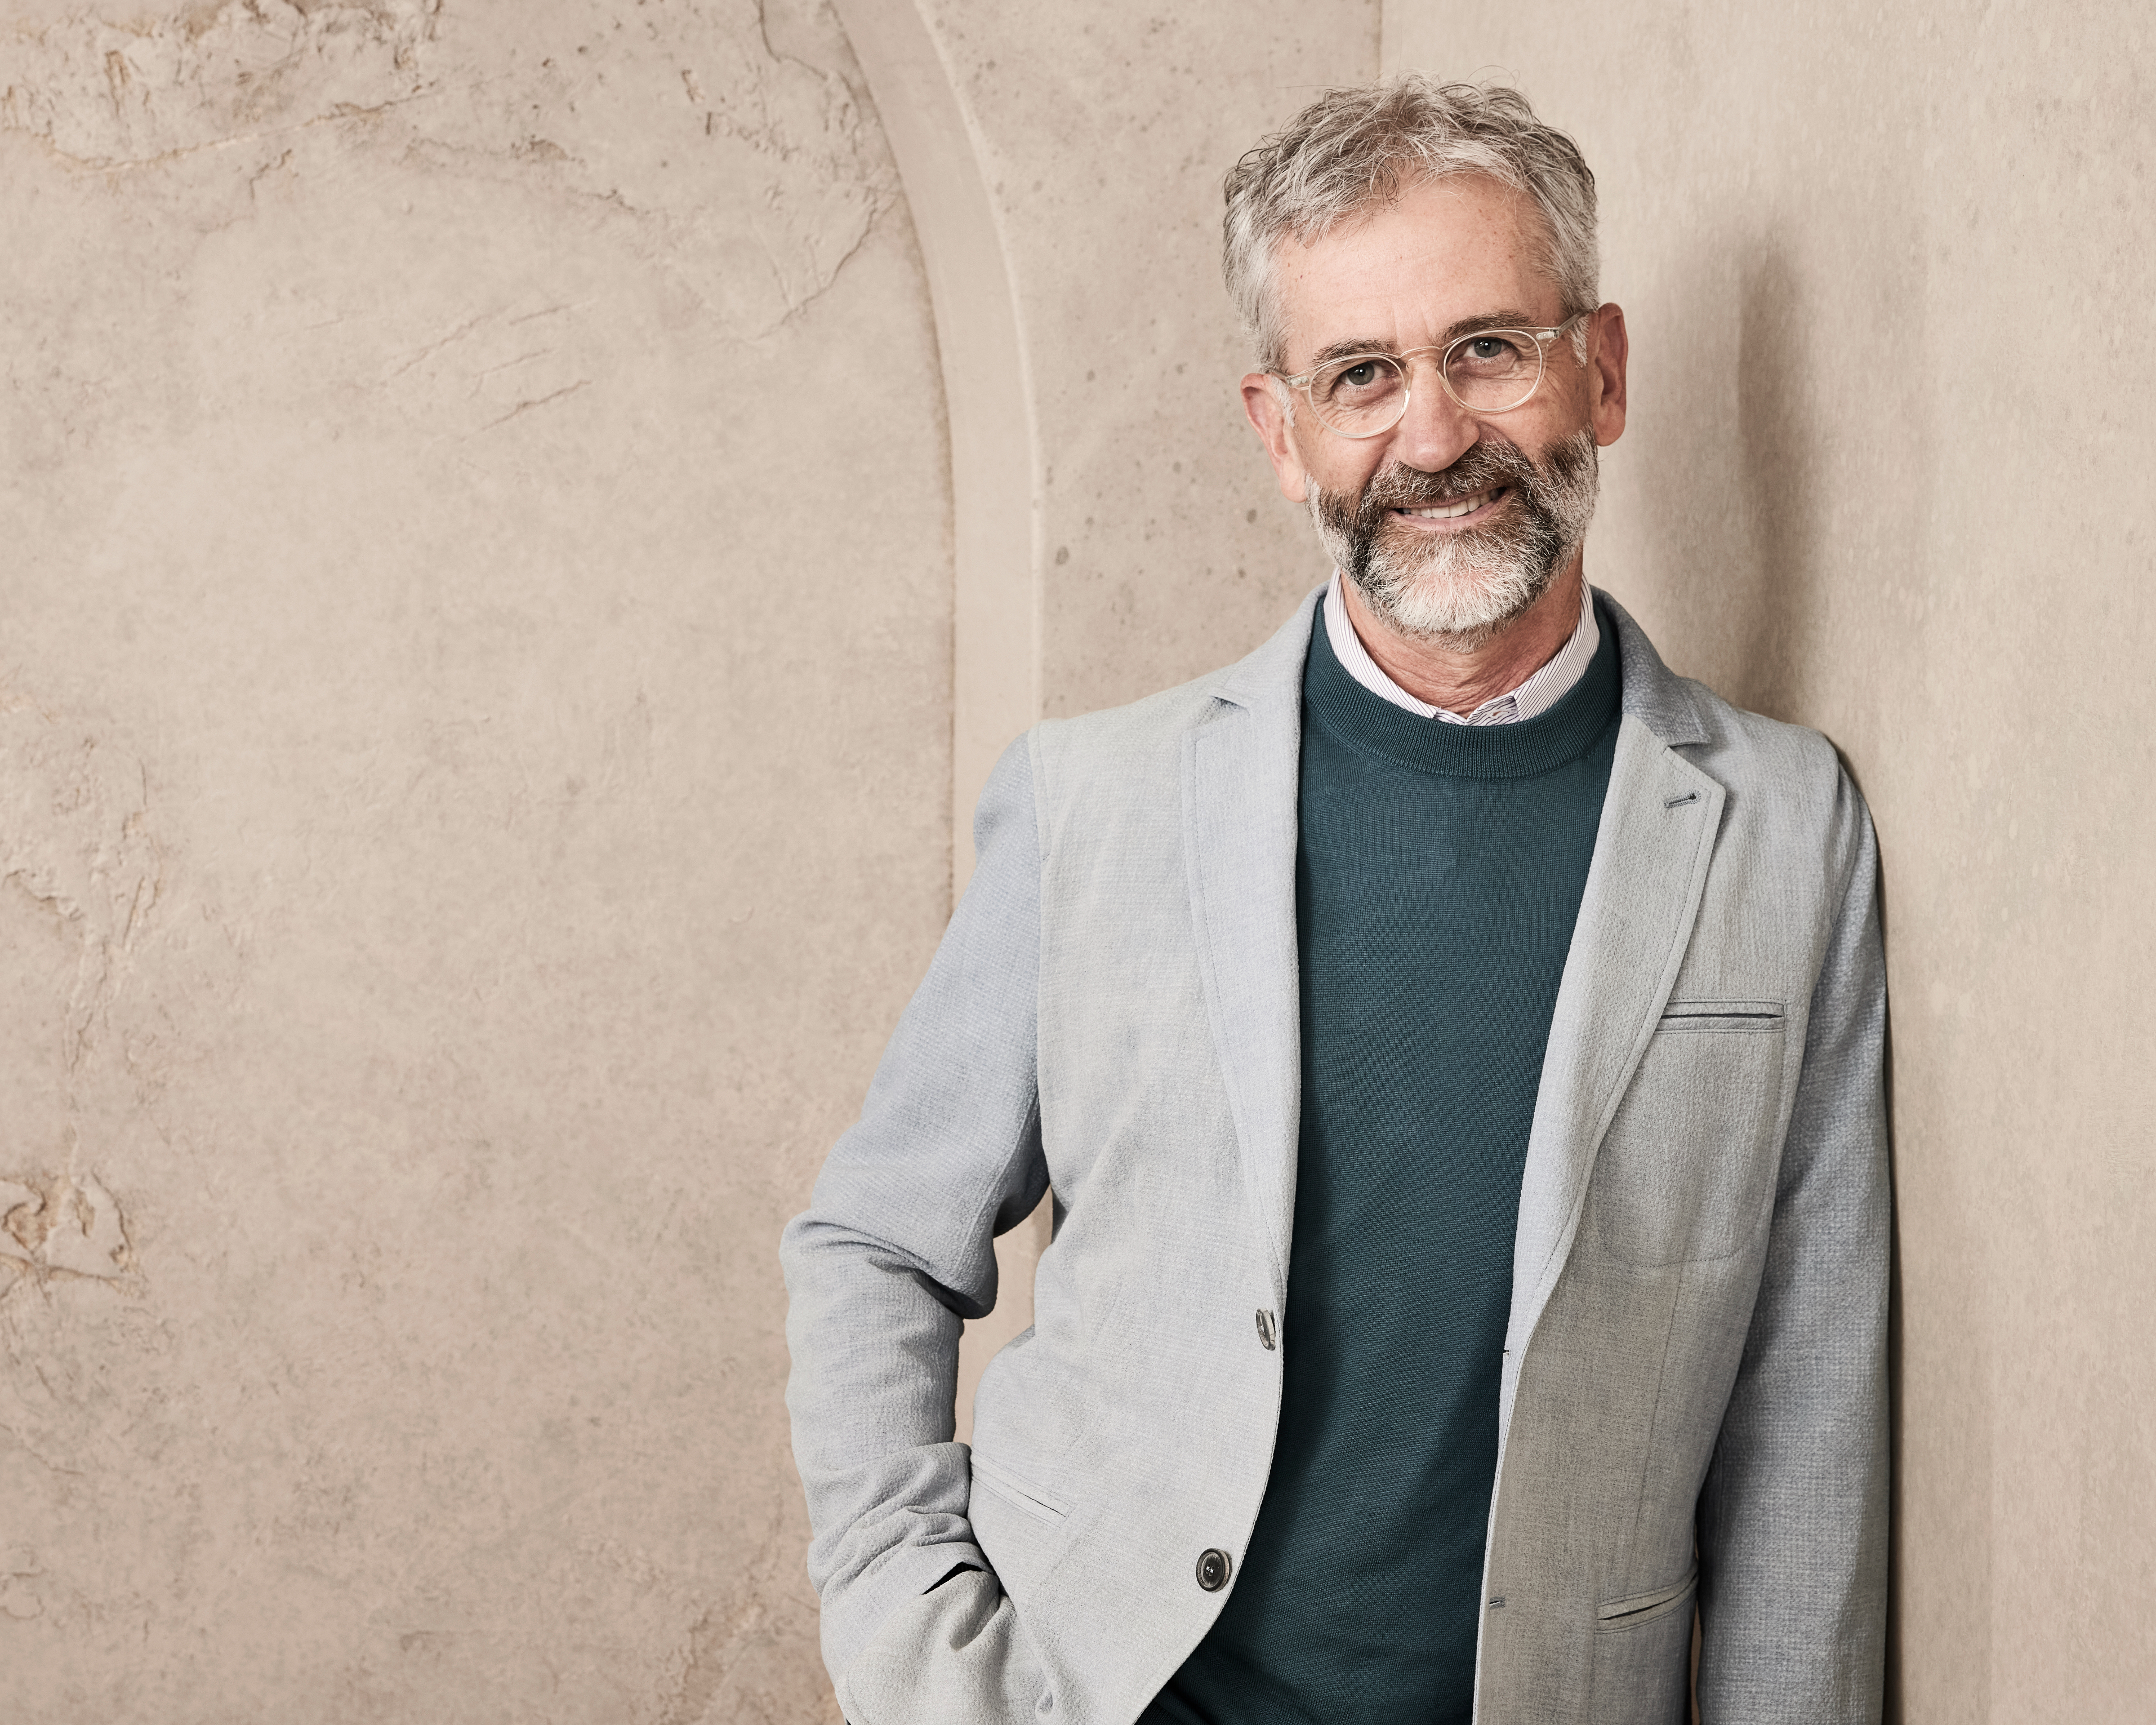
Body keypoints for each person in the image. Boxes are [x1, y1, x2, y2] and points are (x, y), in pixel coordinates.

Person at [781, 75, 1888, 1725]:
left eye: (1487, 349)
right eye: (1358, 375)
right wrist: (913, 1643)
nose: (1430, 435)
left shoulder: (1784, 826)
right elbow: (873, 1235)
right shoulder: (1092, 801)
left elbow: (1807, 1403)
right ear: (1277, 431)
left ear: (1602, 371)